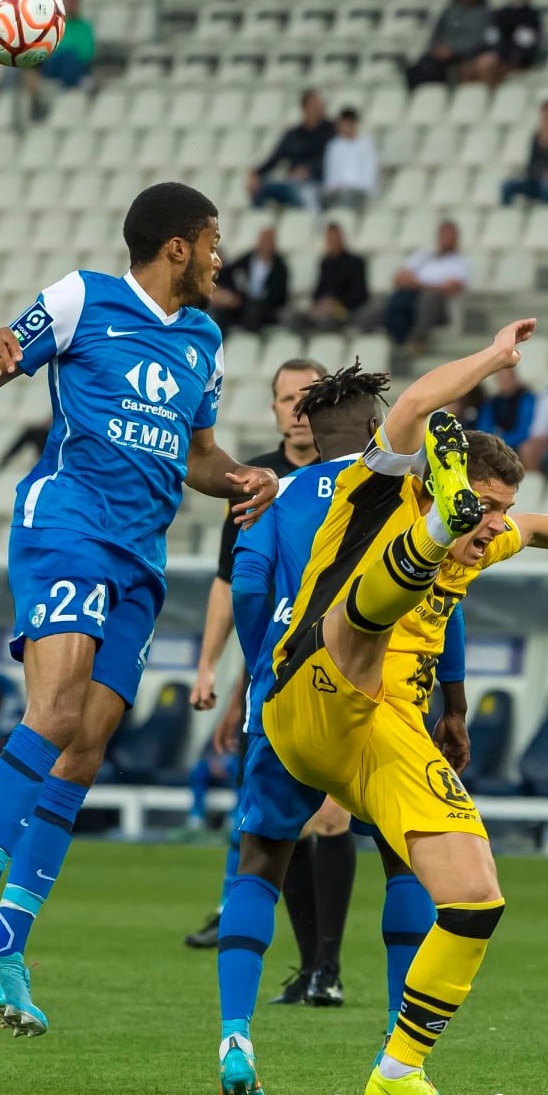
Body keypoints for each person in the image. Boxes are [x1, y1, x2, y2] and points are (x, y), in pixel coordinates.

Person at [258, 319, 548, 1095]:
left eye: (494, 510)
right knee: (358, 631)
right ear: (439, 481)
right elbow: (421, 398)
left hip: (382, 738)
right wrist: (495, 358)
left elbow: (544, 526)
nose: (495, 524)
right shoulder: (379, 485)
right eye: (483, 507)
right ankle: (427, 535)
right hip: (309, 692)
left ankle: (398, 1070)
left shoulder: (490, 535)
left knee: (475, 895)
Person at [0, 182, 280, 1036]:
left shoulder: (204, 339)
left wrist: (242, 478)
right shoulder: (82, 298)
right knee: (53, 710)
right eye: (213, 240)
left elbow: (197, 452)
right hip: (70, 524)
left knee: (84, 748)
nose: (222, 257)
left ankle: (8, 940)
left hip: (141, 555)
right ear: (177, 248)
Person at [215, 364, 470, 1095]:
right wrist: (452, 704)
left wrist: (267, 667)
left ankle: (236, 1036)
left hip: (291, 697)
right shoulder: (403, 487)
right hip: (387, 700)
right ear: (371, 432)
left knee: (260, 859)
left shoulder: (272, 496)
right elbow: (444, 596)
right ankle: (401, 1050)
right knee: (404, 860)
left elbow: (252, 591)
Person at [185, 358, 327, 954]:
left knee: (333, 813)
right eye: (285, 398)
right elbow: (230, 580)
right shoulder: (250, 479)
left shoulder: (354, 476)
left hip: (335, 655)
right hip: (264, 652)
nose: (296, 409)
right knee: (256, 789)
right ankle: (238, 903)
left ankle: (325, 952)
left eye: (308, 396)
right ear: (272, 409)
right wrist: (210, 667)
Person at [382, 220, 471, 351]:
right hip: (412, 298)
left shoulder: (460, 262)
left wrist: (418, 284)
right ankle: (393, 338)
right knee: (391, 301)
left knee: (429, 298)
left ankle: (418, 340)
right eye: (444, 234)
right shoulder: (424, 255)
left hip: (440, 306)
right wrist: (416, 284)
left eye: (450, 235)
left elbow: (451, 288)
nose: (446, 238)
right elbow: (398, 277)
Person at [249, 90, 336, 212]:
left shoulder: (331, 131)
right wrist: (256, 174)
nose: (320, 108)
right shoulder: (292, 135)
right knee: (260, 187)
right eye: (315, 105)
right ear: (305, 108)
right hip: (292, 183)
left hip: (318, 183)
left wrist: (308, 170)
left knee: (306, 193)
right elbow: (274, 159)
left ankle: (311, 223)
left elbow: (333, 159)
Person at [406, 0, 492, 89]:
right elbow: (436, 32)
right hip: (440, 53)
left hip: (464, 55)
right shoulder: (449, 10)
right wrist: (436, 49)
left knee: (436, 71)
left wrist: (453, 49)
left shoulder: (485, 13)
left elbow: (479, 38)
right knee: (416, 69)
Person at [463, 0, 542, 86]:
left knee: (487, 70)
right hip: (494, 57)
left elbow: (524, 45)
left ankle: (488, 101)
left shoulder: (530, 16)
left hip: (514, 61)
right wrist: (482, 55)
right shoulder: (501, 13)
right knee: (466, 69)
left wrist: (498, 56)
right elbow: (491, 38)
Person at [290, 224, 372, 333]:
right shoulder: (325, 263)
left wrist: (335, 304)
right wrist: (320, 303)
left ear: (341, 239)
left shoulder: (355, 263)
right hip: (324, 309)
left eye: (335, 239)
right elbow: (318, 292)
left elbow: (360, 295)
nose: (332, 243)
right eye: (329, 239)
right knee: (292, 316)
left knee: (325, 319)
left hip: (345, 310)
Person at [209, 227, 290, 333]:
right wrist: (228, 294)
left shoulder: (280, 267)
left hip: (265, 307)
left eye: (269, 241)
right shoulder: (247, 259)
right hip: (242, 304)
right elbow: (226, 273)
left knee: (254, 311)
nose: (265, 244)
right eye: (263, 240)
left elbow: (279, 295)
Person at [321, 108, 379, 210]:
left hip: (359, 191)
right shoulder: (333, 146)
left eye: (345, 124)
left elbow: (369, 178)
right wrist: (335, 188)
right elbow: (330, 176)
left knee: (347, 196)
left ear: (352, 124)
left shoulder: (365, 145)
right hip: (337, 192)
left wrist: (349, 186)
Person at [39, 0, 95, 90]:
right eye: (68, 2)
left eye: (73, 2)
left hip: (75, 65)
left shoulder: (85, 27)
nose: (71, 5)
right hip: (55, 65)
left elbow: (87, 53)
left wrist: (66, 51)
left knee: (69, 58)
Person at [474, 367, 535, 452]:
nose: (505, 382)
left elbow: (525, 431)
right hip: (495, 445)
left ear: (515, 378)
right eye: (501, 379)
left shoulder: (526, 399)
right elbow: (483, 429)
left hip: (516, 445)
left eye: (507, 378)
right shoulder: (491, 403)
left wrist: (502, 441)